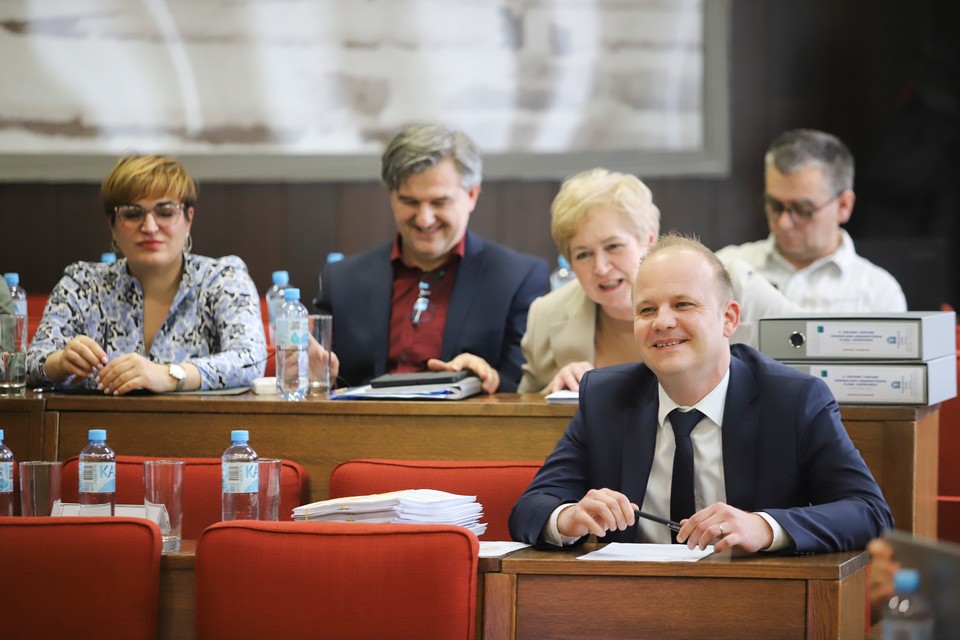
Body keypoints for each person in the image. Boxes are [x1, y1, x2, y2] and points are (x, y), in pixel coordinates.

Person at [509, 234, 893, 554]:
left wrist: (764, 527)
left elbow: (870, 512)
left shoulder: (793, 399)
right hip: (632, 599)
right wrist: (569, 517)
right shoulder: (606, 397)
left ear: (729, 318)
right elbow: (531, 508)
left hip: (755, 598)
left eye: (683, 304)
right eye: (646, 310)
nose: (662, 322)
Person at [316, 123, 549, 393]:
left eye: (439, 202)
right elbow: (320, 375)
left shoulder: (516, 279)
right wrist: (315, 376)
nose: (424, 219)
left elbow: (525, 388)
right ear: (391, 197)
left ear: (471, 195)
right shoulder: (342, 281)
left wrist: (487, 378)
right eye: (410, 202)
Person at [518, 168, 797, 393]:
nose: (600, 267)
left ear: (649, 241)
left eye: (613, 246)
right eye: (583, 254)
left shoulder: (734, 283)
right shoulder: (547, 315)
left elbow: (811, 354)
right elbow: (521, 411)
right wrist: (552, 391)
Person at [26, 155, 266, 394]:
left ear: (188, 219)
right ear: (112, 223)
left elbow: (251, 359)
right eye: (132, 214)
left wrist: (170, 374)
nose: (150, 227)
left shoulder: (223, 279)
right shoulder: (83, 284)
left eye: (165, 212)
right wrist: (60, 363)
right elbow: (30, 363)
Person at [716, 128, 907, 312]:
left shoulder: (878, 295)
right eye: (775, 206)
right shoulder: (724, 269)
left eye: (803, 210)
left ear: (844, 206)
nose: (784, 223)